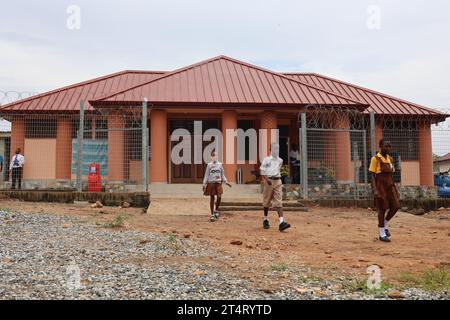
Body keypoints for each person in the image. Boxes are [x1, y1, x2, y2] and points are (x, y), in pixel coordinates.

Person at [369, 139, 400, 242]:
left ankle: (386, 223)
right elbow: (372, 176)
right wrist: (375, 190)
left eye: (389, 146)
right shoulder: (375, 159)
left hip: (390, 185)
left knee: (396, 206)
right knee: (382, 209)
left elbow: (392, 172)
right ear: (380, 146)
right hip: (380, 186)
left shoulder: (390, 159)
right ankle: (382, 233)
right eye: (386, 146)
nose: (388, 148)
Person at [260, 143, 291, 231]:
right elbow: (262, 171)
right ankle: (265, 219)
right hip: (268, 181)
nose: (276, 150)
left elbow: (277, 170)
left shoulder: (280, 160)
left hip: (278, 181)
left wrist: (275, 178)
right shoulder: (266, 160)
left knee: (279, 201)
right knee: (266, 202)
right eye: (275, 149)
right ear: (270, 150)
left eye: (278, 149)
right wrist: (267, 179)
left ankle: (281, 222)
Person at [202, 151, 232, 222]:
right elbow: (206, 175)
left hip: (218, 183)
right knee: (212, 198)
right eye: (212, 156)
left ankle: (216, 210)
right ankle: (212, 214)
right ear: (211, 157)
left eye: (215, 156)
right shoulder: (209, 165)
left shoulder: (220, 164)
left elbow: (222, 174)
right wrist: (204, 184)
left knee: (219, 197)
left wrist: (226, 181)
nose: (214, 157)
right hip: (211, 183)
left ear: (217, 157)